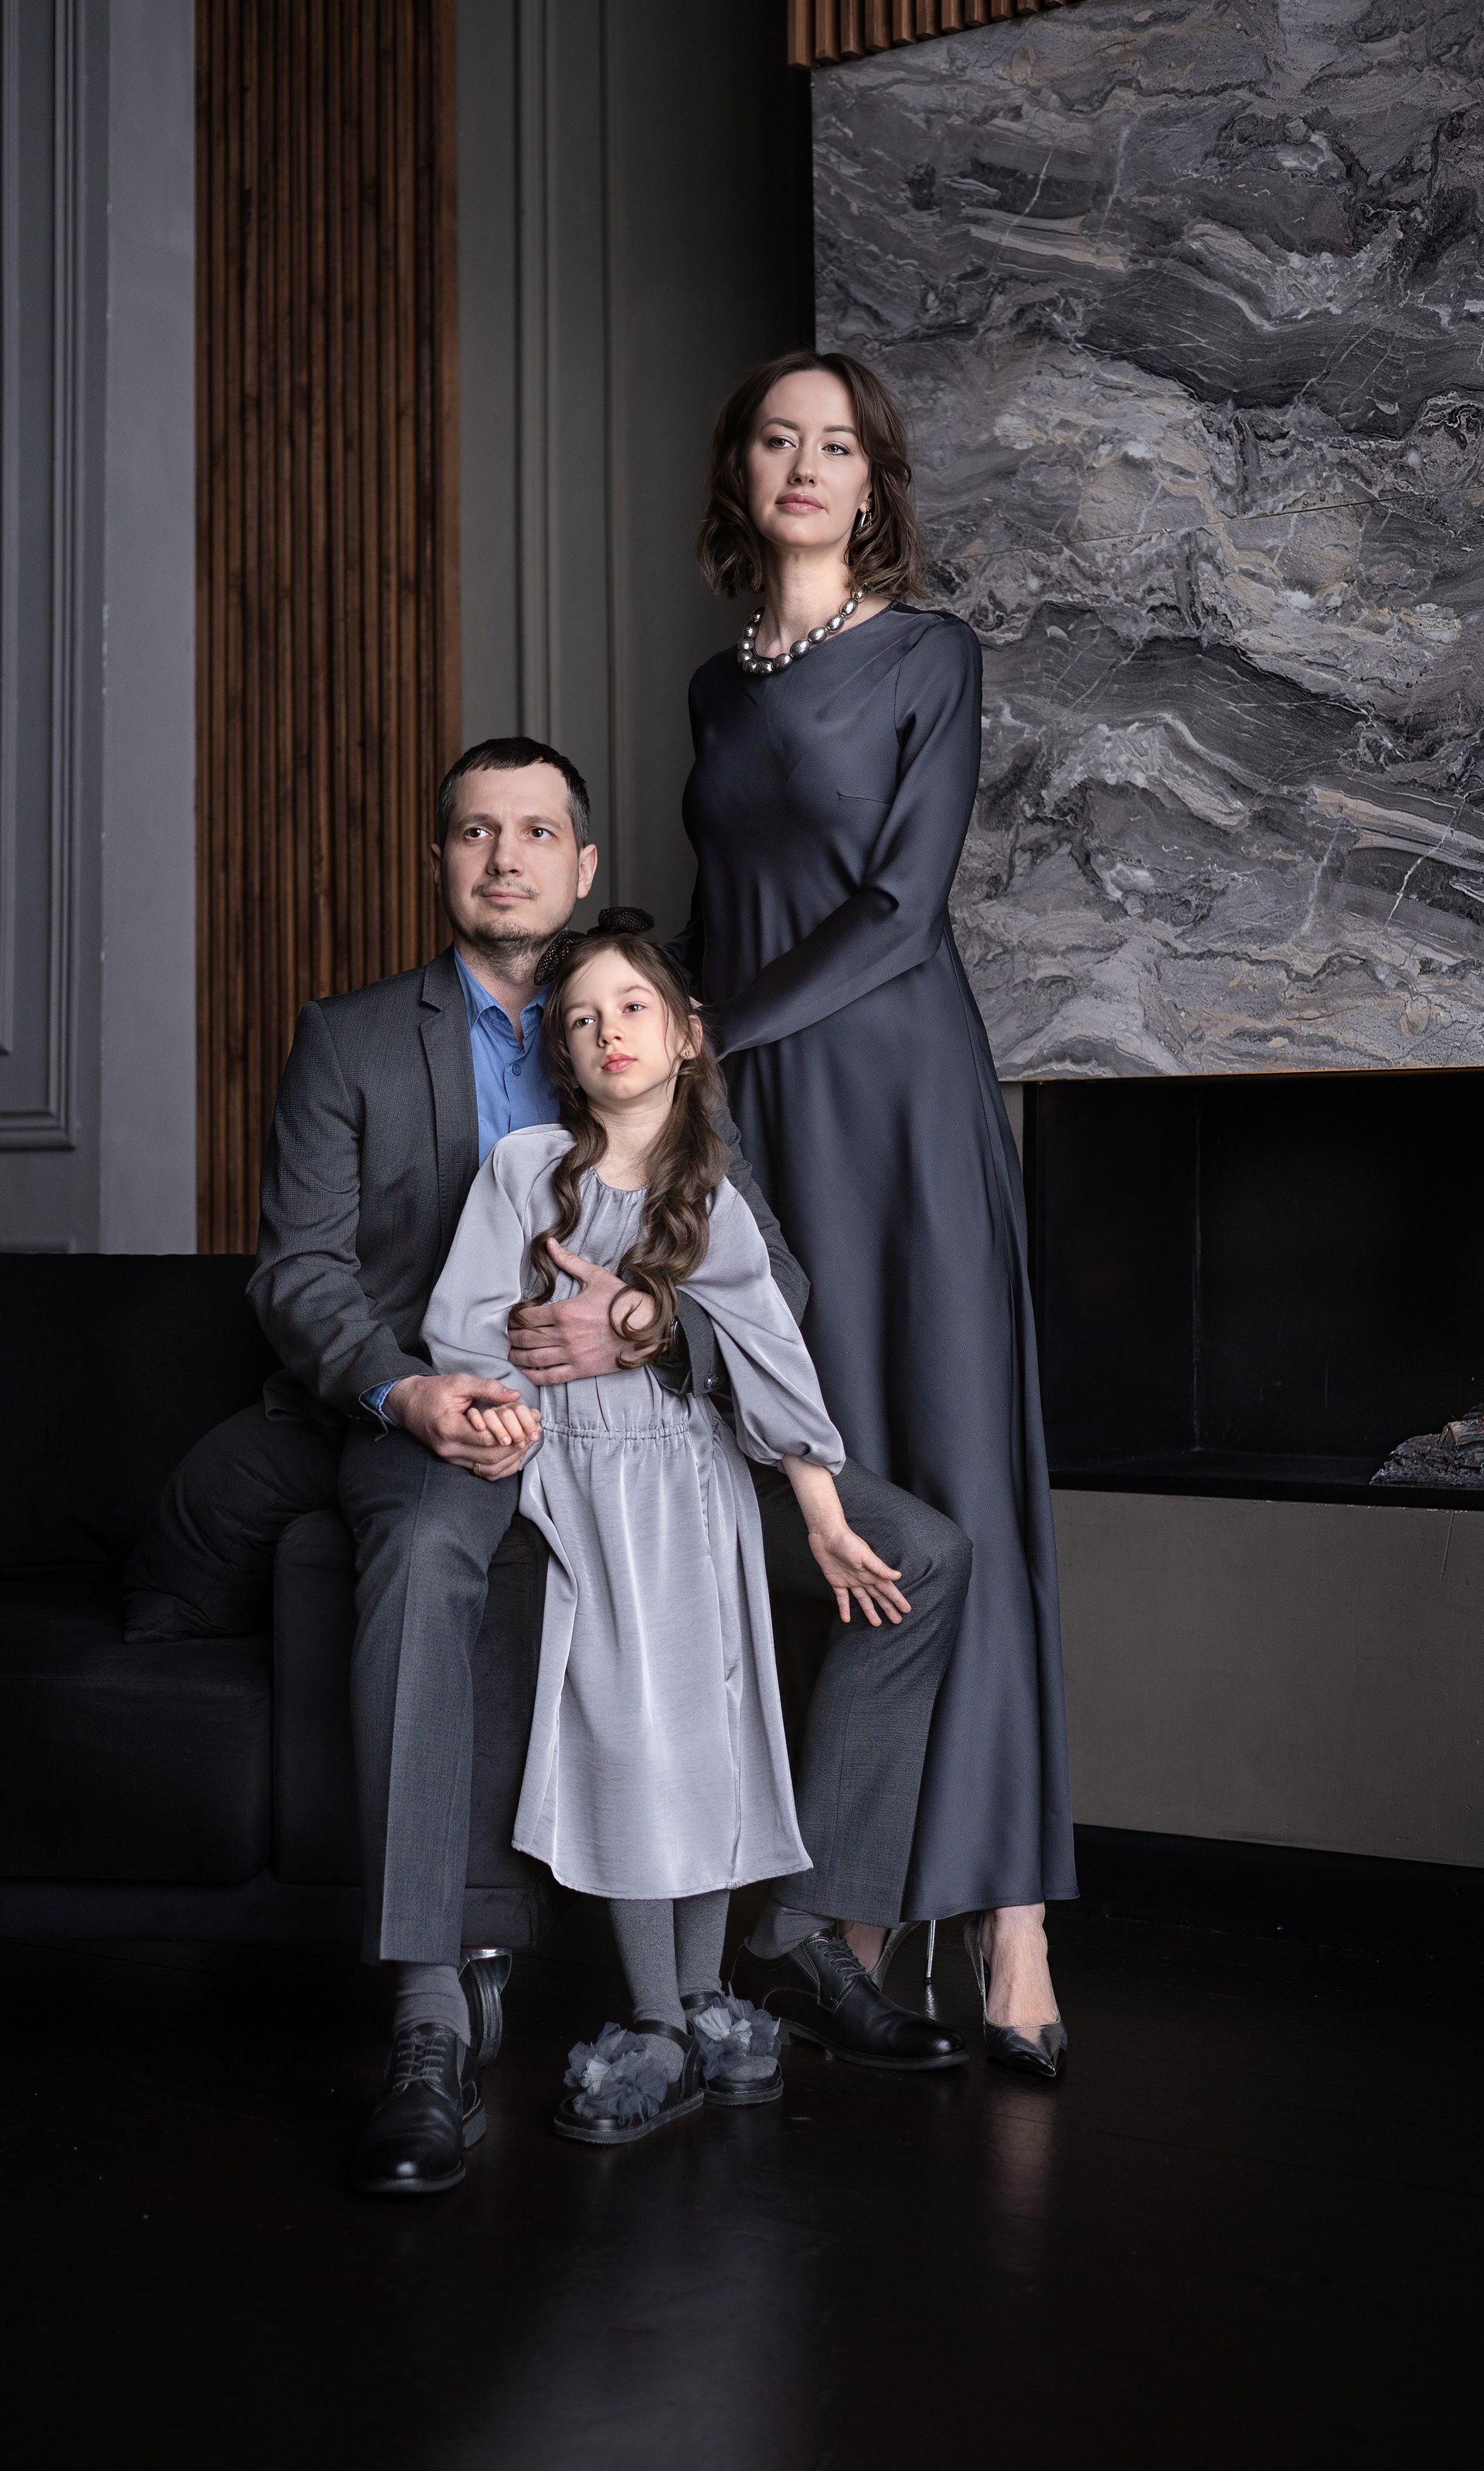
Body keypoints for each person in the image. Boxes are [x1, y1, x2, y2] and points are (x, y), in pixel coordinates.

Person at [240, 733, 969, 2198]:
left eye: (535, 831)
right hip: (458, 1417)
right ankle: (430, 2010)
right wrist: (413, 1388)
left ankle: (797, 1937)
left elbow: (772, 1284)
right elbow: (300, 1270)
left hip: (667, 1433)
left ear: (581, 866)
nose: (503, 856)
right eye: (474, 831)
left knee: (926, 1554)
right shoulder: (354, 1037)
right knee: (427, 1557)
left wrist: (647, 1321)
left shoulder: (649, 1023)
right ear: (440, 861)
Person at [677, 350, 1077, 2078]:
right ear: (743, 471)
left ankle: (1011, 1920)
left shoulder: (931, 656)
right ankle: (846, 1908)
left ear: (874, 482)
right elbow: (721, 907)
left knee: (960, 1471)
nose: (807, 464)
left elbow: (903, 911)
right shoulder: (717, 689)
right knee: (840, 1487)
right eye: (780, 437)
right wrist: (649, 1035)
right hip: (761, 1118)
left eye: (838, 444)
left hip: (903, 1102)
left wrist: (713, 1031)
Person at [422, 921, 917, 2143]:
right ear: (561, 1051)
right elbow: (467, 1327)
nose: (609, 1031)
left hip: (697, 1500)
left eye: (633, 1007)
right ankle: (655, 2011)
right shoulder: (526, 1171)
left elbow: (774, 1363)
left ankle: (696, 2004)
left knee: (703, 1742)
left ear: (688, 1036)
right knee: (627, 1743)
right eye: (581, 1017)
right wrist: (499, 1416)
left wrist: (824, 1517)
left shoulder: (714, 1201)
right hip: (584, 1497)